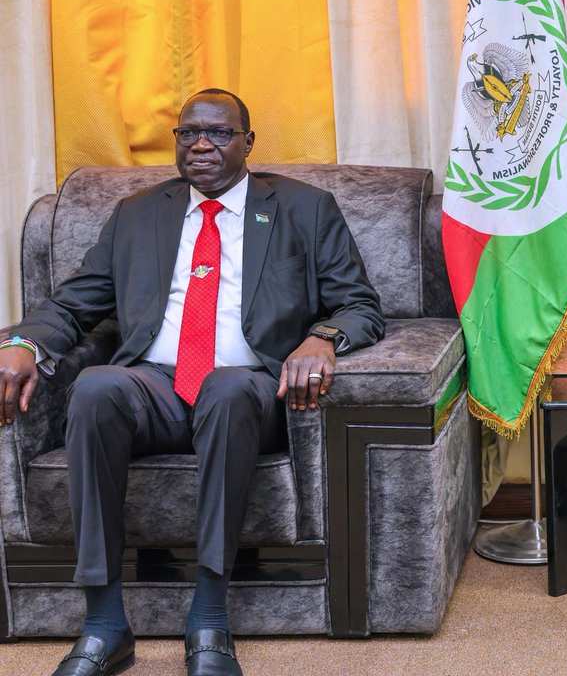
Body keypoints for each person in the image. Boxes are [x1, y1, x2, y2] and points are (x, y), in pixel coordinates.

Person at [0, 89, 385, 676]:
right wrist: (21, 344)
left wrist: (322, 338)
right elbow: (73, 304)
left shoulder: (304, 208)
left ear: (248, 142)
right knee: (97, 387)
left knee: (227, 388)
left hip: (247, 386)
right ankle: (104, 626)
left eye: (219, 132)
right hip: (154, 385)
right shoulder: (138, 212)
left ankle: (209, 618)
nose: (201, 143)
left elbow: (361, 305)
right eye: (188, 133)